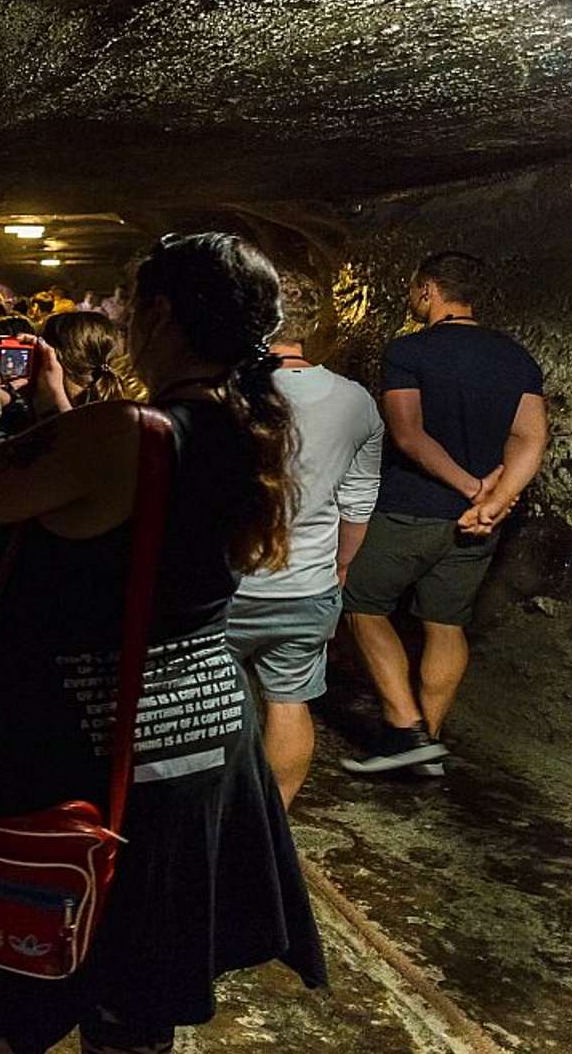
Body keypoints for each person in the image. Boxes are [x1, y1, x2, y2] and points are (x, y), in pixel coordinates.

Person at [0, 233, 325, 1052]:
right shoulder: (248, 426)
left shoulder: (119, 433)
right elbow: (131, 509)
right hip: (196, 756)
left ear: (160, 314)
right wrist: (63, 408)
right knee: (136, 996)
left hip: (82, 757)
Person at [340, 251, 548, 775]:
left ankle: (406, 729)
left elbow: (409, 435)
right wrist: (492, 503)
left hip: (410, 508)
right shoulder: (517, 358)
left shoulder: (409, 352)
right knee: (445, 623)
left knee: (361, 604)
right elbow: (529, 437)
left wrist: (470, 485)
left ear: (429, 290)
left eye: (415, 290)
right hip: (477, 526)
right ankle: (429, 743)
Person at [227, 277, 383, 808]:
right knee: (289, 702)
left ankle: (209, 822)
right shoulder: (356, 400)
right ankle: (272, 824)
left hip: (225, 581)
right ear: (312, 325)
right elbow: (358, 504)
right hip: (307, 583)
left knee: (206, 703)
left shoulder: (229, 390)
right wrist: (340, 567)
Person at [40, 309, 136, 405]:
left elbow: (75, 420)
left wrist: (56, 394)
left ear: (54, 359)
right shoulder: (131, 404)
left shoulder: (56, 404)